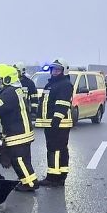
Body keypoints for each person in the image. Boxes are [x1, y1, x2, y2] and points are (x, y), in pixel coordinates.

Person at [0, 64, 38, 192]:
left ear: (7, 79)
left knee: (19, 160)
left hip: (18, 133)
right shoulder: (13, 90)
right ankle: (27, 180)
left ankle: (31, 183)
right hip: (21, 131)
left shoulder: (9, 93)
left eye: (0, 79)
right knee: (22, 160)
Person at [35, 58, 74, 187]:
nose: (54, 71)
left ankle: (53, 177)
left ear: (64, 70)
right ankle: (60, 176)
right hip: (52, 122)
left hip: (58, 123)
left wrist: (56, 121)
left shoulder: (64, 84)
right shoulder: (52, 84)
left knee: (55, 149)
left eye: (58, 69)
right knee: (60, 149)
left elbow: (62, 104)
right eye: (53, 69)